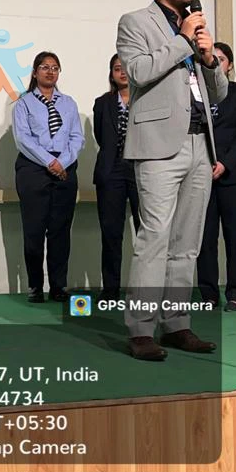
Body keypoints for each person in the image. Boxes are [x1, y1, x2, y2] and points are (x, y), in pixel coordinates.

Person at [117, 0, 227, 362]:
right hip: (159, 145)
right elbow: (139, 72)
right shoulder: (135, 22)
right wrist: (183, 40)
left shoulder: (195, 27)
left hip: (200, 142)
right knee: (154, 239)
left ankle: (177, 323)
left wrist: (209, 58)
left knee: (187, 243)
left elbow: (219, 93)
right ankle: (141, 329)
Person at [12, 51, 84, 304]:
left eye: (55, 68)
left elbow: (77, 137)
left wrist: (61, 162)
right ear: (35, 72)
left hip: (65, 168)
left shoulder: (69, 103)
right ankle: (35, 286)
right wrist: (49, 162)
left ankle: (58, 286)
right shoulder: (23, 104)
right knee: (34, 231)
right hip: (33, 169)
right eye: (44, 67)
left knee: (60, 231)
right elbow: (23, 139)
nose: (50, 72)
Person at [197, 42, 236, 311]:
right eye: (212, 58)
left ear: (229, 65)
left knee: (235, 238)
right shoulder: (194, 94)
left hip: (235, 177)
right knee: (205, 240)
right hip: (201, 176)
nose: (216, 62)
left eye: (221, 59)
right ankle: (208, 295)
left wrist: (224, 164)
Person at [92, 54, 140, 301]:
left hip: (140, 169)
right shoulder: (102, 103)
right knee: (111, 233)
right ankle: (110, 288)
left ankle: (146, 288)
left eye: (126, 68)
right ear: (111, 73)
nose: (122, 72)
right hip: (111, 171)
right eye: (117, 68)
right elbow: (101, 137)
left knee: (147, 231)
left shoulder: (146, 100)